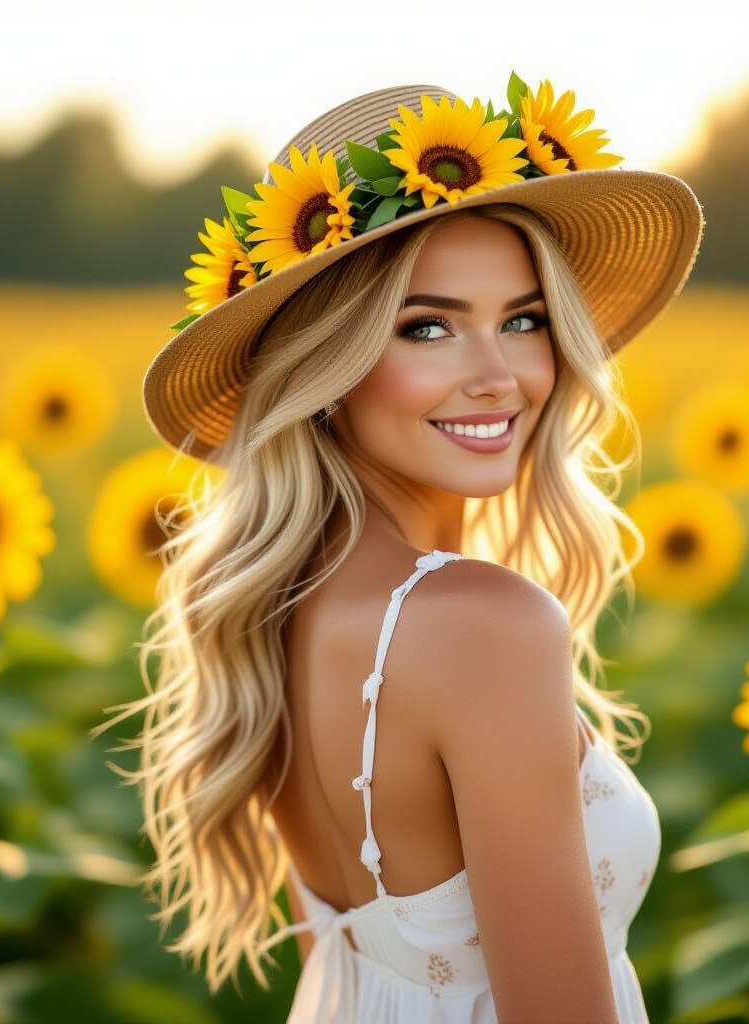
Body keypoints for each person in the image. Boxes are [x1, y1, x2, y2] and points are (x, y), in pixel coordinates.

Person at [104, 75, 704, 1022]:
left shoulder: (278, 609)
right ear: (327, 369)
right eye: (429, 327)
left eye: (524, 320)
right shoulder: (483, 627)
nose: (499, 376)